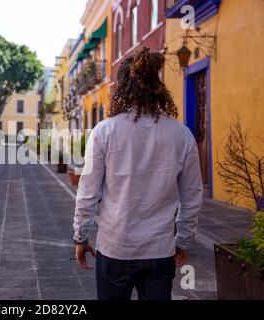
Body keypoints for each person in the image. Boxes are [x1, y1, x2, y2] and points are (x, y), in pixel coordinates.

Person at [73, 47, 203, 301]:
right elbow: (192, 197)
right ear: (158, 85)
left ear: (121, 88)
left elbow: (87, 193)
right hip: (159, 251)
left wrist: (81, 236)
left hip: (115, 248)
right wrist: (183, 240)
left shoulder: (104, 132)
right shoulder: (182, 135)